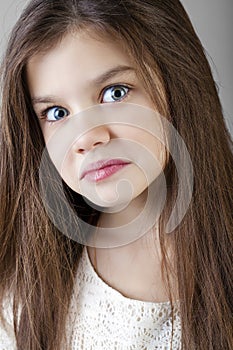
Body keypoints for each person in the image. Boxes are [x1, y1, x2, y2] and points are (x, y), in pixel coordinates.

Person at [0, 0, 232, 349]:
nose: (86, 137)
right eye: (57, 112)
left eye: (115, 93)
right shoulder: (22, 281)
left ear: (178, 83)